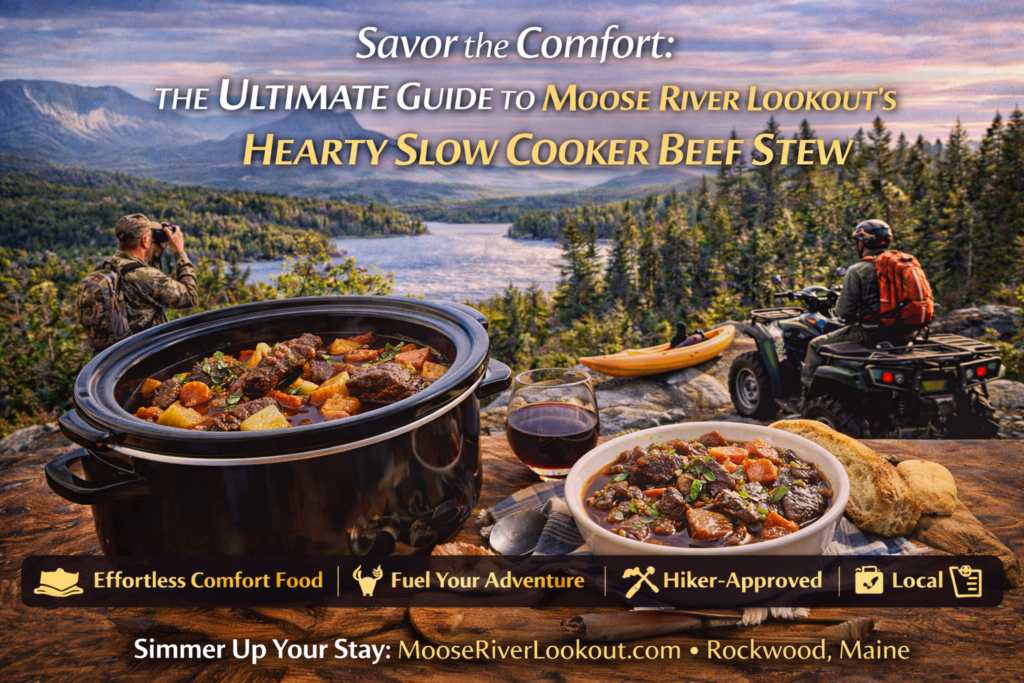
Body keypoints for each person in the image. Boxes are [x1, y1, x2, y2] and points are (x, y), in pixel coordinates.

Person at [800, 219, 918, 393]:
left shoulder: (858, 269)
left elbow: (844, 313)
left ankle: (809, 395)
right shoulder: (904, 263)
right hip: (907, 333)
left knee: (815, 346)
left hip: (872, 335)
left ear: (862, 242)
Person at [78, 213, 199, 352]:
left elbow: (147, 290)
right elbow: (190, 296)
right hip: (145, 360)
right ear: (146, 240)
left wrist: (157, 252)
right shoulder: (143, 276)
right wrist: (179, 250)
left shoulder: (103, 269)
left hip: (113, 361)